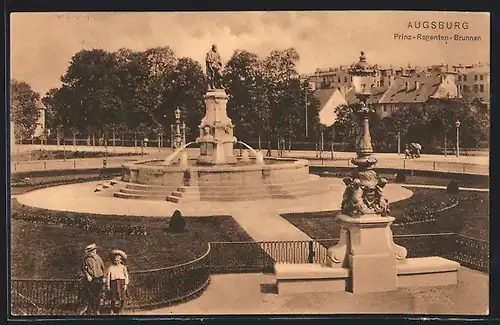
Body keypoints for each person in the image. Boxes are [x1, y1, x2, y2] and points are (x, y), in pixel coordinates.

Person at [82, 243, 105, 315]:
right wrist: (87, 275)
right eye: (91, 251)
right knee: (91, 295)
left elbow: (103, 267)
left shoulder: (99, 258)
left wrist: (104, 277)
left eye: (94, 250)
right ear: (89, 252)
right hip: (91, 279)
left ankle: (97, 310)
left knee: (98, 294)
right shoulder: (86, 259)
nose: (93, 252)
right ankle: (91, 310)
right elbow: (83, 269)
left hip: (99, 277)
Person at [106, 250, 129, 315]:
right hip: (113, 283)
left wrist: (126, 284)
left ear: (121, 260)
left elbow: (126, 276)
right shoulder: (110, 268)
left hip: (122, 283)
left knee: (122, 298)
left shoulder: (123, 267)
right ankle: (112, 310)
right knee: (113, 298)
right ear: (113, 260)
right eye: (116, 260)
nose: (117, 262)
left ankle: (121, 310)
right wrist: (108, 285)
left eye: (118, 260)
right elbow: (108, 277)